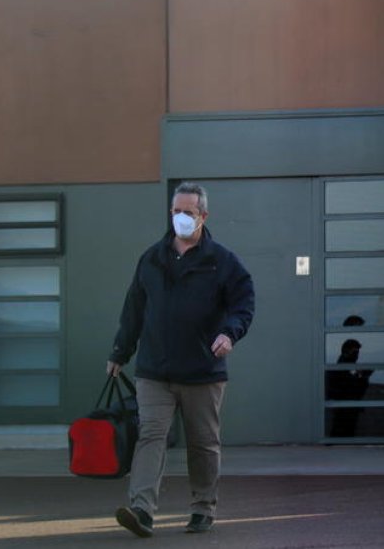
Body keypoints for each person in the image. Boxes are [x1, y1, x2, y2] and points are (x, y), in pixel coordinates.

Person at [107, 182, 256, 537]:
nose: (181, 218)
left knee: (203, 443)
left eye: (188, 212)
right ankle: (142, 509)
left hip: (203, 371)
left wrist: (229, 333)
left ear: (203, 216)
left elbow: (243, 304)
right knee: (151, 436)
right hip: (154, 370)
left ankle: (203, 508)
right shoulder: (152, 258)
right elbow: (134, 309)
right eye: (176, 212)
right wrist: (119, 352)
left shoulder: (222, 261)